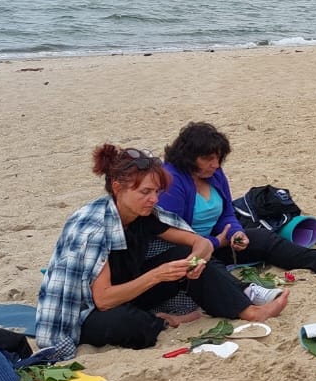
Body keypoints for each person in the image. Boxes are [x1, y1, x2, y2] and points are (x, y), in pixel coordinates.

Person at [35, 144, 289, 359]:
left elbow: (198, 242)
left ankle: (251, 311)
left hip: (132, 292)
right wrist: (158, 275)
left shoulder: (143, 214)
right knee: (127, 323)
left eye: (156, 192)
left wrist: (196, 259)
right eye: (145, 192)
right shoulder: (93, 228)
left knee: (183, 254)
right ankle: (168, 320)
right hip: (90, 310)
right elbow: (103, 300)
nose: (154, 199)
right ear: (117, 187)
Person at [159, 121, 316, 275]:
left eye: (218, 159)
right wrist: (215, 242)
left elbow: (227, 212)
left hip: (219, 240)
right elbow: (170, 232)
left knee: (265, 238)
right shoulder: (173, 180)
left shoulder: (214, 174)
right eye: (208, 159)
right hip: (188, 250)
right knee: (209, 269)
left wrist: (235, 232)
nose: (215, 165)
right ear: (188, 156)